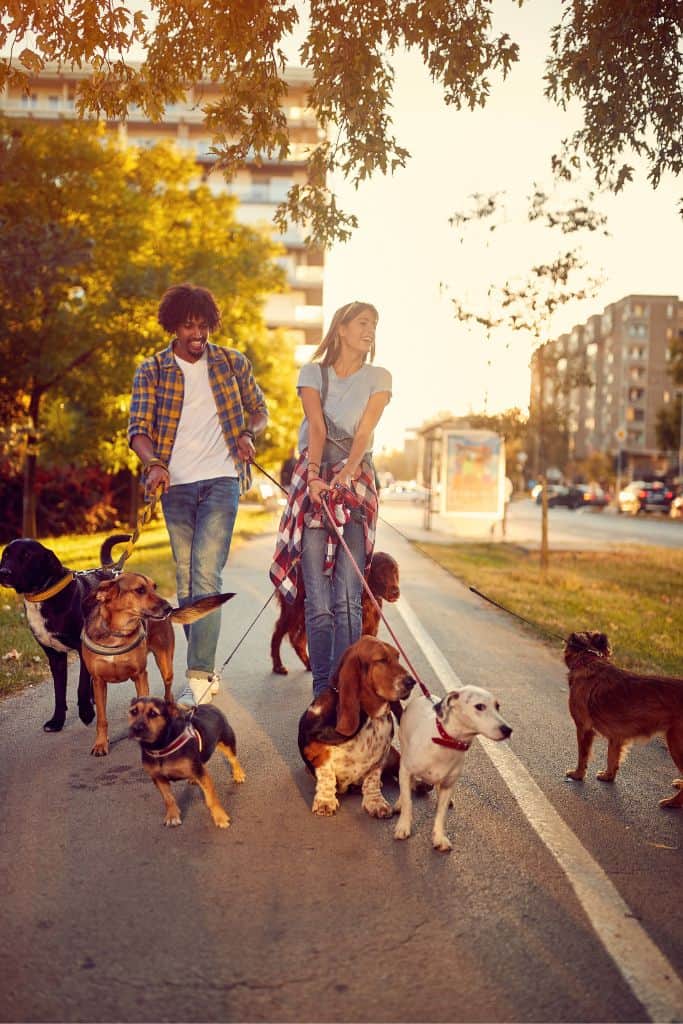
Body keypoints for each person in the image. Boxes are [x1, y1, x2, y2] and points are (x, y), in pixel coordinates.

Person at [128, 283, 268, 705]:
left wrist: (247, 433)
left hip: (223, 478)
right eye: (188, 326)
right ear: (173, 326)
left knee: (206, 574)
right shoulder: (152, 370)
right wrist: (153, 463)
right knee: (187, 580)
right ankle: (202, 663)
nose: (197, 334)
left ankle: (201, 674)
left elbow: (260, 411)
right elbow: (137, 430)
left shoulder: (231, 362)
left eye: (203, 325)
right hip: (177, 484)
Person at [270, 300, 391, 698]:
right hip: (314, 476)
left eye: (374, 323)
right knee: (318, 602)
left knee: (348, 599)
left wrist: (345, 476)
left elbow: (364, 433)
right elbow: (317, 429)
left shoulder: (379, 377)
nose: (370, 328)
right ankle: (323, 690)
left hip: (356, 480)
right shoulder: (313, 373)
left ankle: (347, 688)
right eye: (362, 321)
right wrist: (319, 480)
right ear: (341, 328)